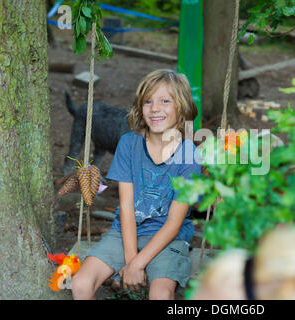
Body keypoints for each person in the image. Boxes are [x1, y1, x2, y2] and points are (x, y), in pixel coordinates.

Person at [71, 69, 201, 300]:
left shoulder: (188, 155)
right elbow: (127, 206)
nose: (155, 108)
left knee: (160, 294)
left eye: (165, 101)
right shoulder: (128, 144)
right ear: (140, 107)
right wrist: (132, 262)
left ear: (180, 108)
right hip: (125, 233)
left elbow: (174, 223)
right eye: (148, 101)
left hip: (167, 237)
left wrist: (137, 265)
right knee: (81, 284)